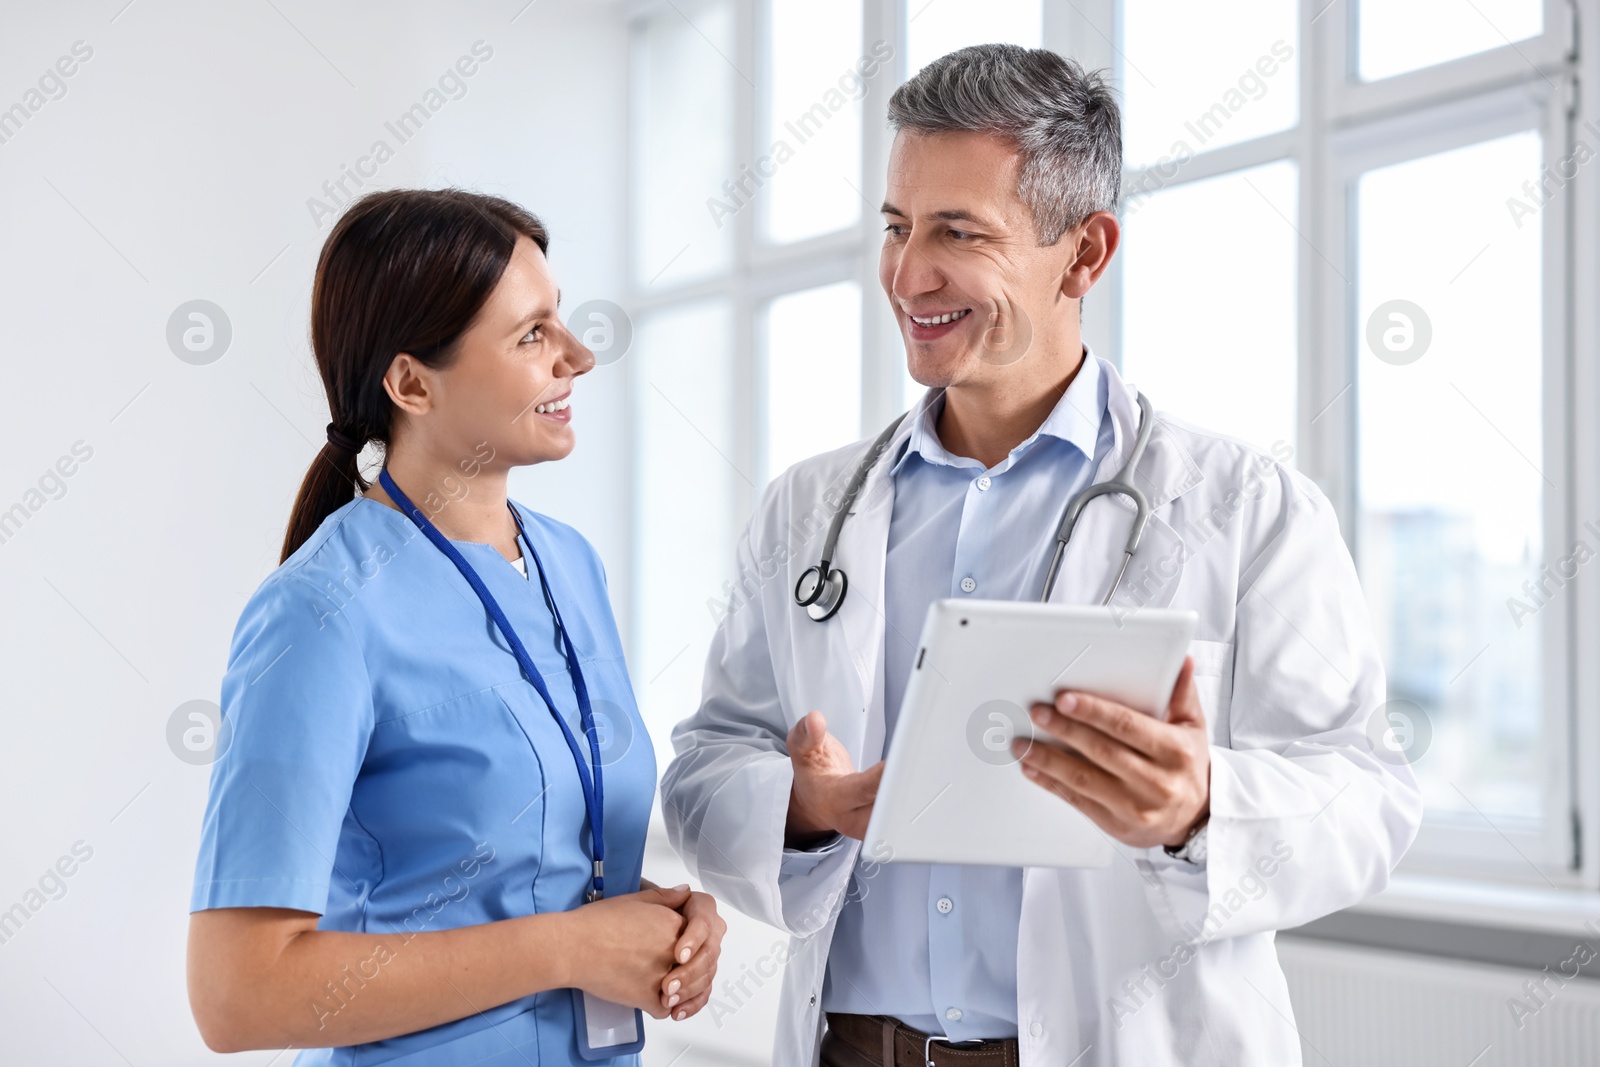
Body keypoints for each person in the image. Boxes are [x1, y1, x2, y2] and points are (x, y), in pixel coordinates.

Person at [660, 44, 1421, 1067]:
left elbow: (1366, 794)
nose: (906, 272)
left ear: (1084, 253)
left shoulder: (1244, 506)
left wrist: (1201, 805)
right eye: (896, 226)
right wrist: (800, 806)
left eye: (956, 233)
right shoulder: (811, 507)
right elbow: (707, 762)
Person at [187, 188, 725, 1067]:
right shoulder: (321, 610)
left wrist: (661, 921)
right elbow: (236, 994)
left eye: (564, 323)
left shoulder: (570, 564)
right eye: (533, 335)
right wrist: (567, 947)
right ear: (411, 383)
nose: (580, 358)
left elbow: (540, 860)